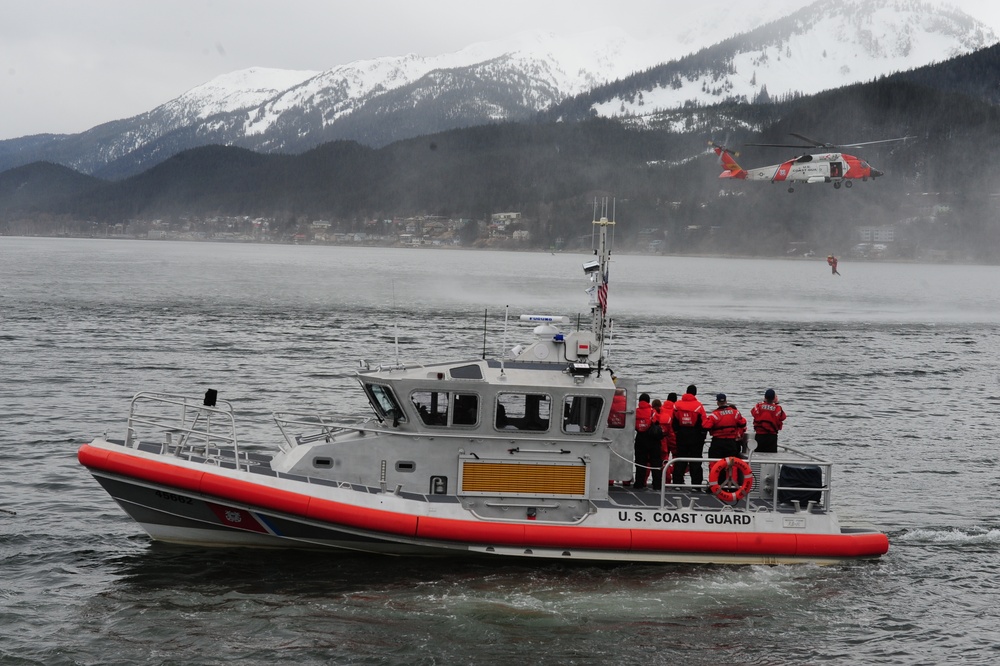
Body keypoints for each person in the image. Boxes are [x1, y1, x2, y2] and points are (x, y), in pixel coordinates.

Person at [671, 385, 708, 489]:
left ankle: (677, 483)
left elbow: (673, 421)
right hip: (695, 436)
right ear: (695, 393)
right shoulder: (698, 406)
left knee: (680, 459)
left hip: (681, 435)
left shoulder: (677, 405)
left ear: (686, 392)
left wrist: (677, 432)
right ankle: (696, 486)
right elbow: (704, 423)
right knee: (695, 461)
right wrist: (702, 436)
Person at [632, 393, 663, 490]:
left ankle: (639, 483)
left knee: (640, 462)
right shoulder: (652, 411)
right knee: (655, 462)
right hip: (652, 439)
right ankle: (657, 485)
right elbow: (657, 421)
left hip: (640, 438)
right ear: (648, 401)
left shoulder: (635, 412)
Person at [705, 393, 747, 460]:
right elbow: (743, 423)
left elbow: (706, 426)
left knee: (714, 462)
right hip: (731, 443)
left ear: (717, 402)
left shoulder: (714, 415)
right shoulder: (735, 413)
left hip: (718, 443)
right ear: (726, 401)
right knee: (732, 464)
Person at [751, 388, 787, 453]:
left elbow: (753, 413)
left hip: (759, 436)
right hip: (772, 437)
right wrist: (775, 403)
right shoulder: (778, 408)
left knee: (759, 455)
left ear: (765, 397)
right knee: (772, 456)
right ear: (774, 398)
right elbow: (783, 417)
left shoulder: (758, 406)